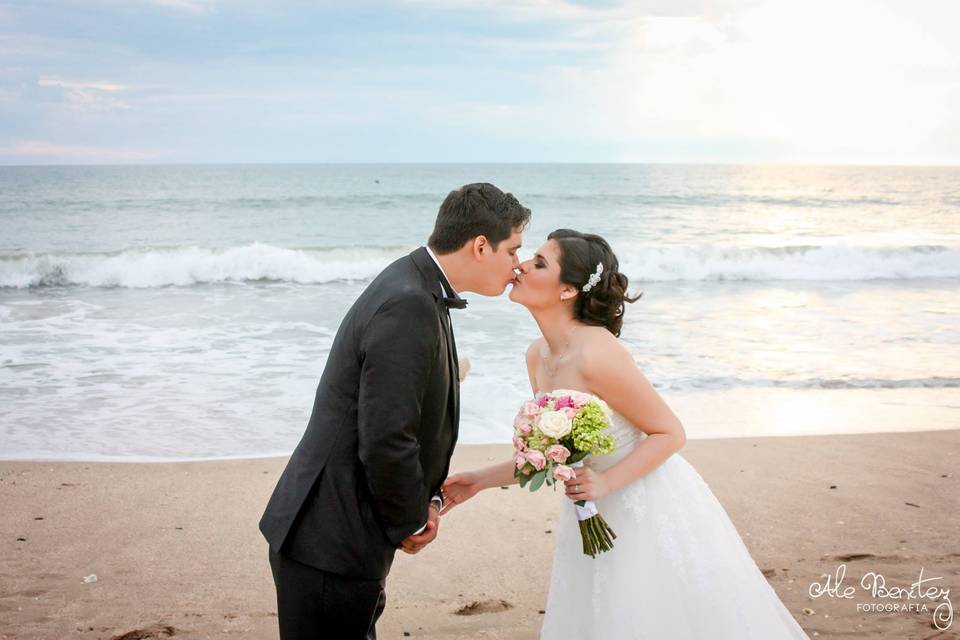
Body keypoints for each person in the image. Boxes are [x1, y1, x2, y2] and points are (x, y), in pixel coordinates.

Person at [442, 229, 811, 639]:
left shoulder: (597, 351)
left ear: (568, 290)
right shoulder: (538, 355)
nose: (521, 265)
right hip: (591, 506)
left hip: (645, 502)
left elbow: (669, 432)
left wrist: (604, 482)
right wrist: (478, 482)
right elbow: (556, 454)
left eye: (540, 263)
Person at [259, 183, 530, 639]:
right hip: (330, 539)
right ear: (481, 245)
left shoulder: (415, 284)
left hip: (340, 531)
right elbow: (388, 434)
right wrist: (410, 519)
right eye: (514, 250)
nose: (518, 265)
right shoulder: (409, 302)